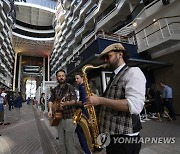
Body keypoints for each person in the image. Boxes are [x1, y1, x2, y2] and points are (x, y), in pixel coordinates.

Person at [86, 43, 146, 154]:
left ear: (120, 54)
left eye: (108, 56)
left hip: (125, 140)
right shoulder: (115, 76)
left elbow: (135, 106)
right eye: (104, 58)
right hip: (114, 137)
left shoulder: (133, 72)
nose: (105, 61)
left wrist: (100, 100)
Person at [48, 69, 77, 154]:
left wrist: (66, 103)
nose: (61, 77)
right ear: (57, 78)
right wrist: (50, 110)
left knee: (70, 143)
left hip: (69, 118)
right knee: (61, 143)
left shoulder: (70, 87)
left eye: (63, 76)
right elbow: (50, 100)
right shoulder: (55, 89)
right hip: (58, 118)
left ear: (65, 77)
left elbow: (74, 100)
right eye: (59, 76)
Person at [75, 73, 91, 154]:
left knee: (81, 133)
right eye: (75, 78)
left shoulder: (82, 87)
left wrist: (74, 102)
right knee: (81, 132)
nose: (76, 80)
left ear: (82, 78)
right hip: (84, 113)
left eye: (77, 78)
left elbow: (84, 102)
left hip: (83, 113)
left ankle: (86, 151)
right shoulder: (82, 87)